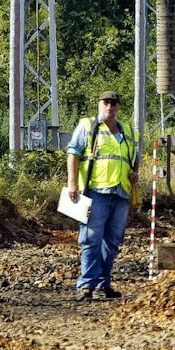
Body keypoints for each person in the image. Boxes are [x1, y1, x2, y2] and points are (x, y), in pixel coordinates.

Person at [64, 90, 141, 300]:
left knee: (113, 241)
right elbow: (73, 154)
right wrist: (72, 184)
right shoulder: (88, 126)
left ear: (118, 107)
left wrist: (135, 173)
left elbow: (135, 158)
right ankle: (87, 285)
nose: (110, 106)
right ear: (99, 104)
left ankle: (103, 284)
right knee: (91, 238)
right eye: (106, 102)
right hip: (96, 191)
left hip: (121, 191)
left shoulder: (128, 131)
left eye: (113, 103)